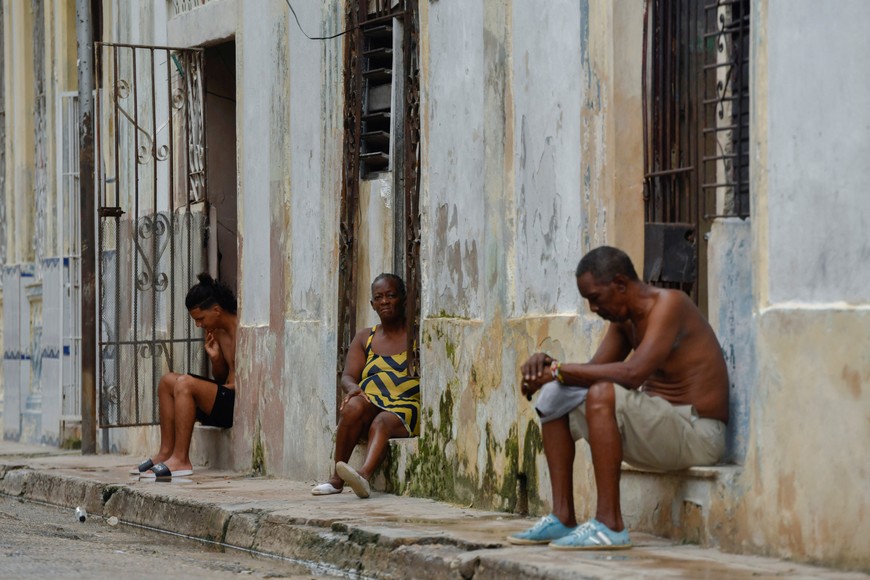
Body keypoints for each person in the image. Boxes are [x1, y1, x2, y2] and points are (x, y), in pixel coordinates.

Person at [508, 246, 729, 550]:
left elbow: (632, 374)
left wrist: (558, 370)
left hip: (697, 433)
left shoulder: (671, 305)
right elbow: (591, 372)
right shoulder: (624, 323)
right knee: (556, 396)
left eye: (596, 298)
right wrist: (549, 367)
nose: (593, 309)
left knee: (599, 392)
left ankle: (610, 524)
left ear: (621, 284)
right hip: (658, 432)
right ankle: (562, 517)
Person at [311, 273, 420, 499]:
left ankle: (362, 476)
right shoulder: (365, 338)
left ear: (403, 299)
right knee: (353, 407)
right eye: (379, 297)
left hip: (405, 406)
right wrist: (353, 389)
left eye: (391, 295)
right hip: (372, 401)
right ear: (372, 304)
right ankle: (336, 479)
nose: (385, 301)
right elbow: (348, 376)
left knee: (382, 421)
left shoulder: (417, 335)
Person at [130, 273, 238, 479]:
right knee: (167, 381)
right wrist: (215, 359)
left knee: (185, 384)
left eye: (200, 319)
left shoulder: (245, 329)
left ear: (216, 310)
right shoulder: (220, 332)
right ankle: (166, 453)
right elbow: (223, 376)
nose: (199, 325)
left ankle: (181, 459)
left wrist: (227, 386)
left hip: (236, 405)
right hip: (224, 400)